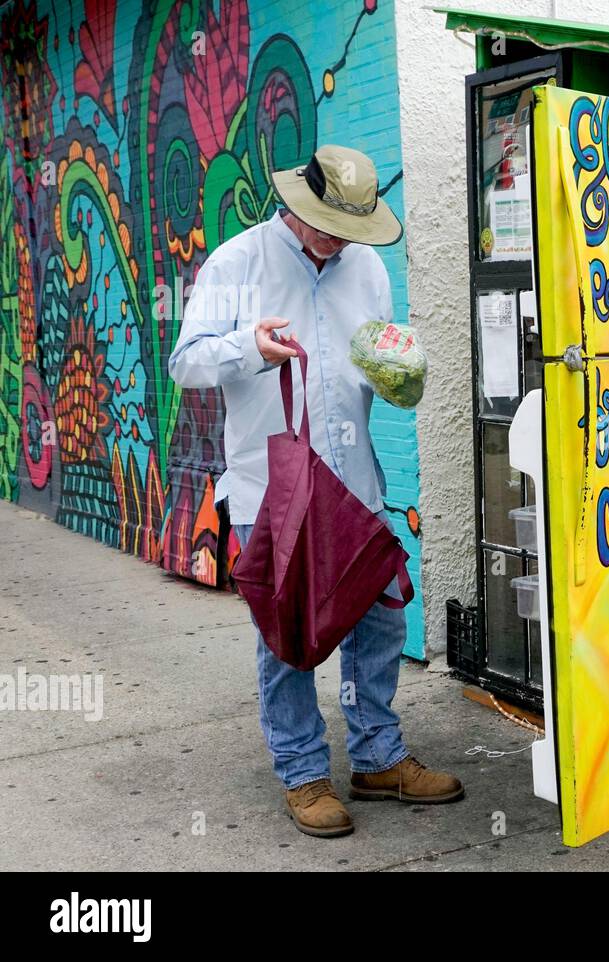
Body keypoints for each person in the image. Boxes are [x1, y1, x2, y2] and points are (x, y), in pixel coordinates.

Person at [168, 145, 463, 838]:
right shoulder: (238, 264)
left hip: (356, 482)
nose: (340, 238)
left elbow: (371, 355)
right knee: (288, 635)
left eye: (350, 226)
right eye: (328, 222)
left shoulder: (364, 265)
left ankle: (377, 755)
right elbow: (185, 361)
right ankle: (302, 772)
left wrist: (401, 374)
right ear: (298, 205)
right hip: (274, 492)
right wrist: (248, 346)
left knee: (380, 619)